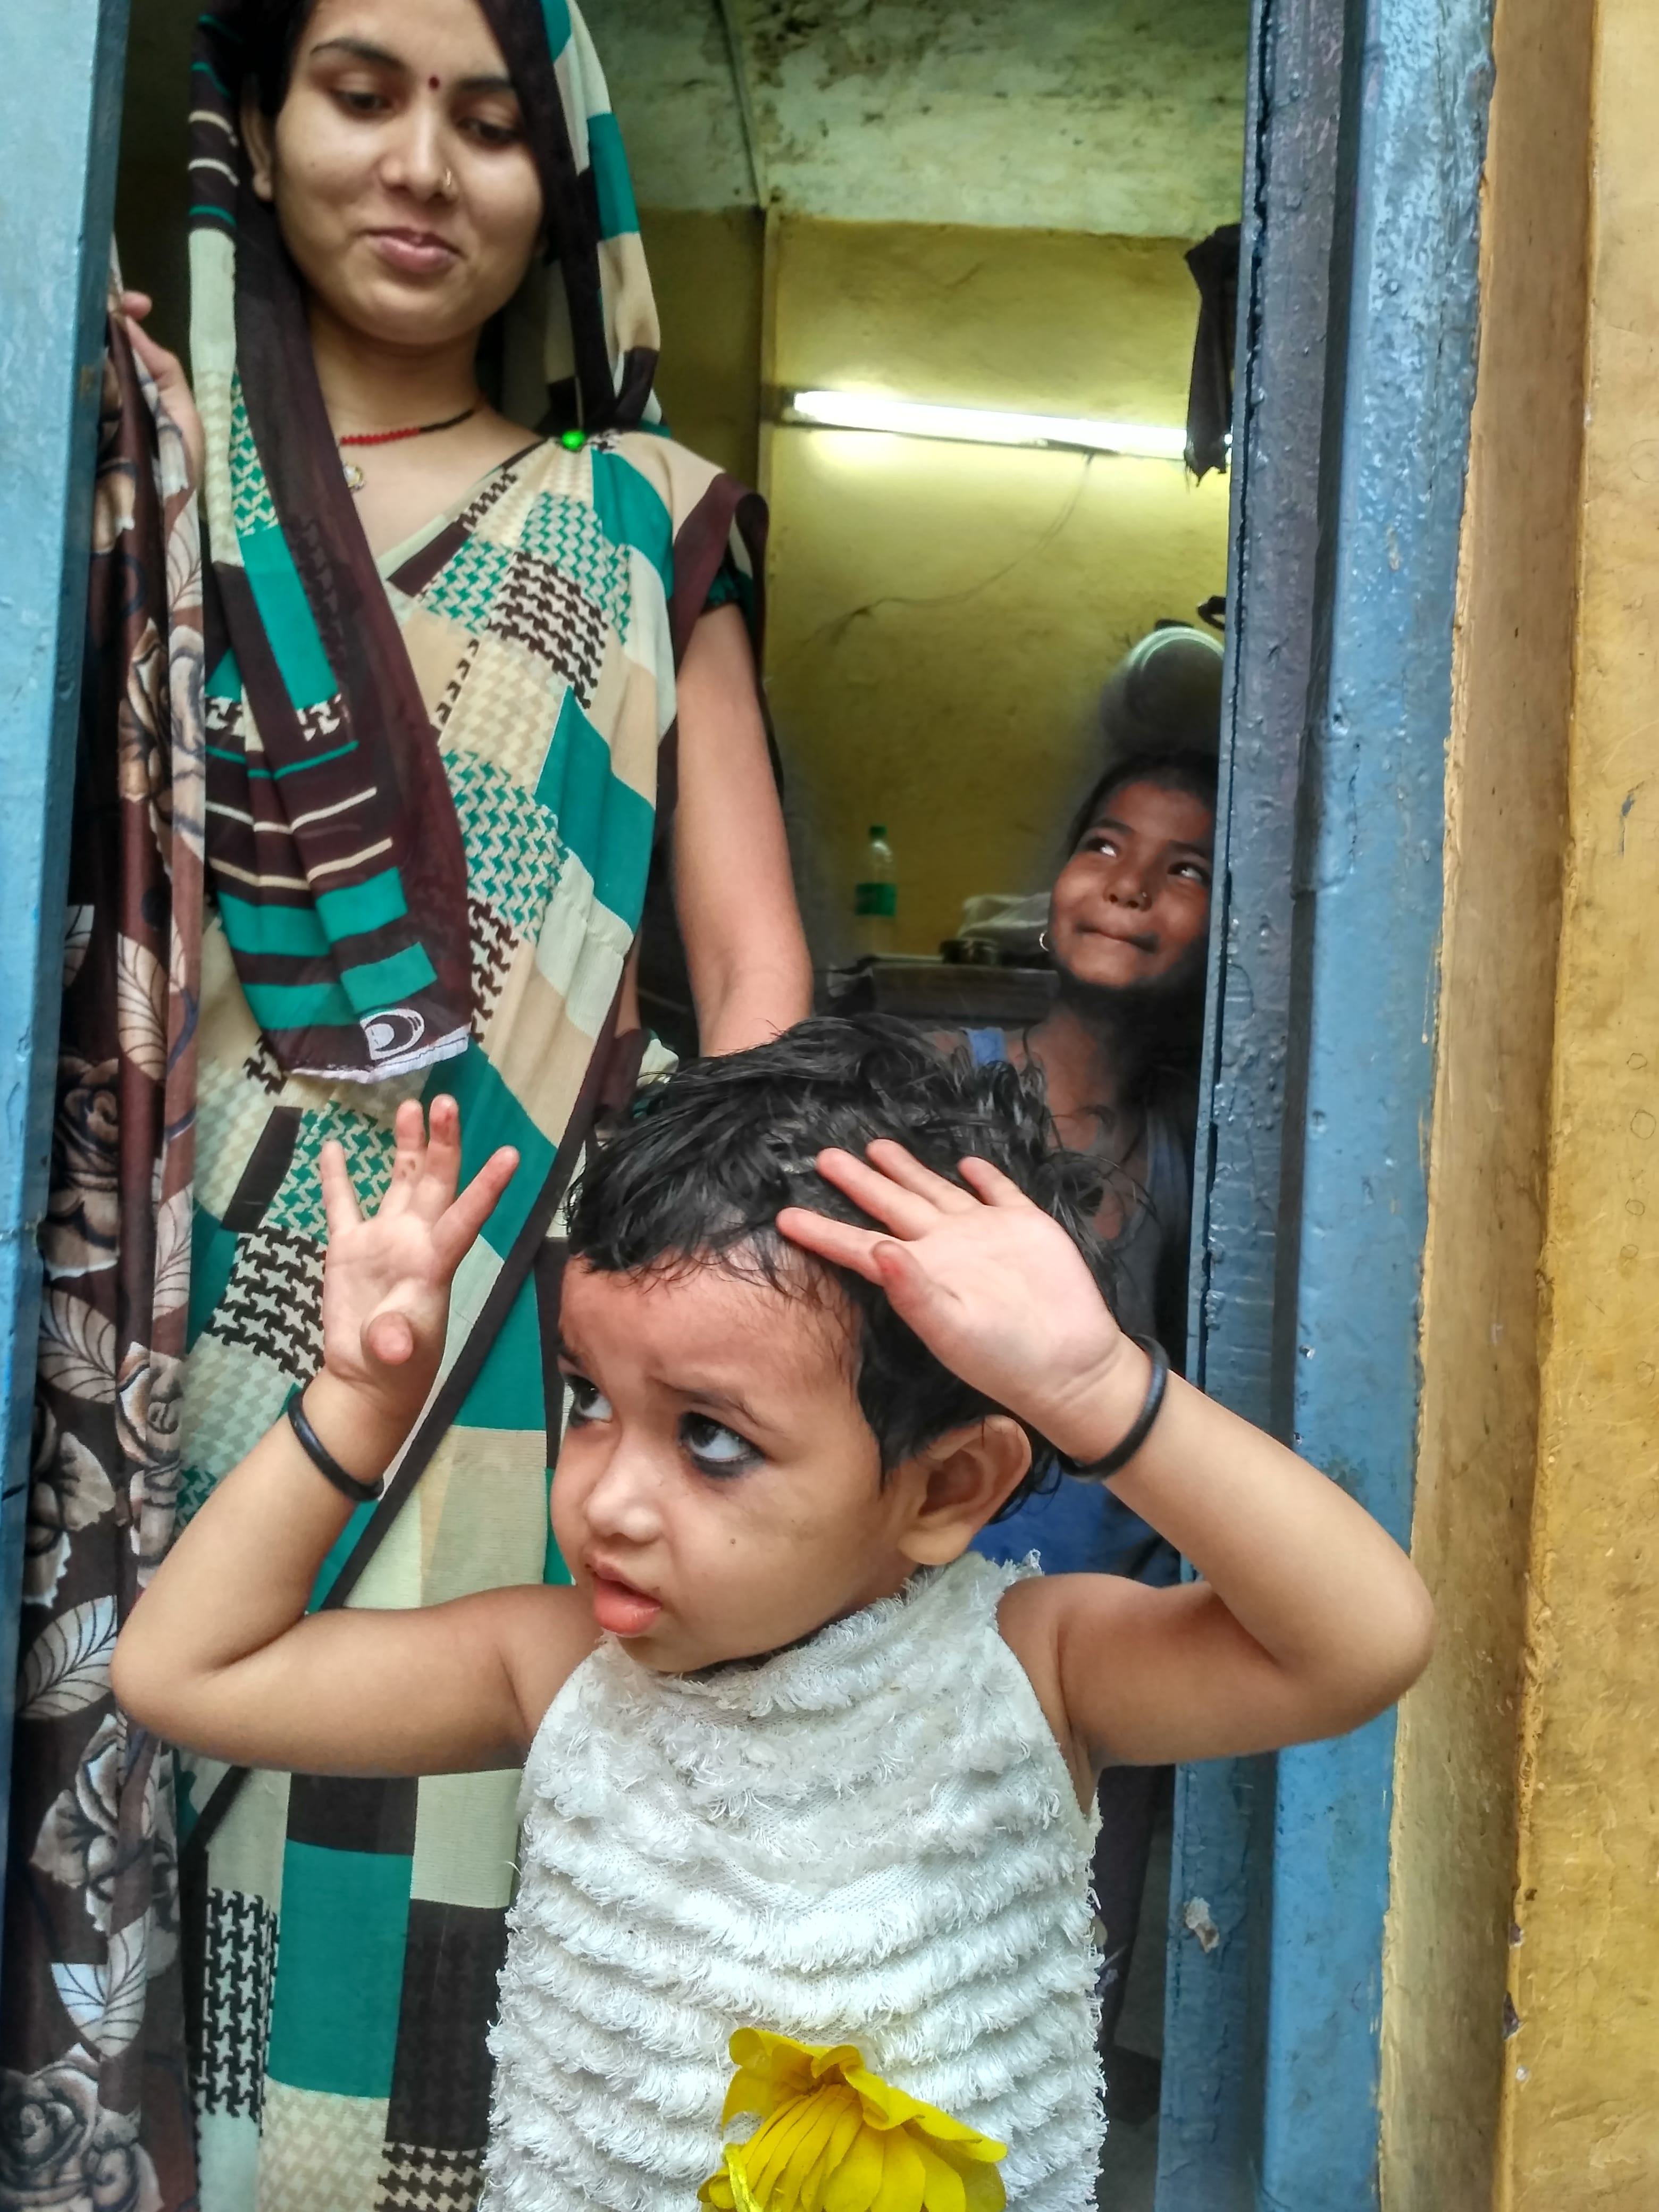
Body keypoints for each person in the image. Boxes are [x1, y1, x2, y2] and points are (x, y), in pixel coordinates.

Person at [113, 1018, 1435, 2212]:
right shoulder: (556, 1664)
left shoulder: (1033, 1671)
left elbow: (1359, 1643)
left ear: (948, 1488)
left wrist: (1099, 1384)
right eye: (590, 1401)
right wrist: (356, 1405)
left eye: (712, 1439)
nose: (611, 1499)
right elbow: (186, 1671)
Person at [115, 1, 811, 2201]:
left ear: (561, 189)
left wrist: (737, 1366)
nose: (425, 167)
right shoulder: (136, 470)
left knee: (477, 1865)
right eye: (365, 93)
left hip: (537, 1340)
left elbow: (758, 987)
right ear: (253, 124)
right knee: (160, 1777)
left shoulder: (640, 523)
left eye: (493, 125)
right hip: (181, 1314)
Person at [955, 742, 1217, 2077]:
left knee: (1068, 1957)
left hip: (1110, 1608)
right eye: (1106, 846)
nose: (1130, 888)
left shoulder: (1202, 1136)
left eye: (1185, 870)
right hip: (940, 1602)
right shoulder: (952, 1083)